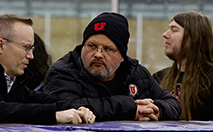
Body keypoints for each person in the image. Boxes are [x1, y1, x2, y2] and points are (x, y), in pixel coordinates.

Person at [43, 12, 181, 121]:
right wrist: (130, 108)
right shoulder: (63, 72)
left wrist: (155, 110)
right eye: (92, 46)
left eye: (108, 49)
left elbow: (172, 103)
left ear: (122, 56)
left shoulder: (135, 72)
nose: (98, 54)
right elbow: (65, 107)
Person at [0, 14, 95, 125]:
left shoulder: (11, 83)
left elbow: (39, 100)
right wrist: (53, 116)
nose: (31, 56)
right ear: (0, 45)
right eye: (26, 47)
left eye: (31, 49)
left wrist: (78, 109)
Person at [153, 11, 213, 121]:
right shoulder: (159, 78)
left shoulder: (209, 81)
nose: (165, 34)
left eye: (174, 30)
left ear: (193, 38)